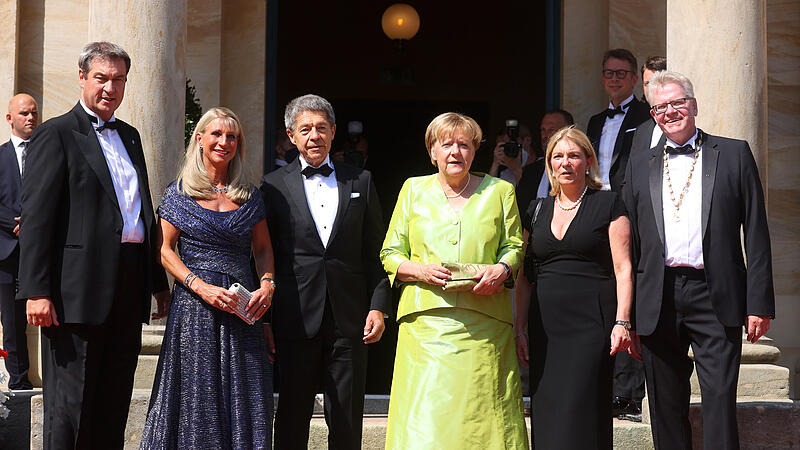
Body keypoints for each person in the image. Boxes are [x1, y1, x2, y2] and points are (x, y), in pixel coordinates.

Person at [18, 41, 169, 448]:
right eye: (101, 77)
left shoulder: (132, 136)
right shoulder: (55, 134)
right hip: (74, 293)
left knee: (113, 402)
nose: (110, 87)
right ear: (82, 77)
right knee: (70, 407)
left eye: (118, 79)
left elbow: (141, 214)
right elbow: (36, 219)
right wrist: (36, 291)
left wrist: (157, 284)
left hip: (128, 282)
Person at [622, 70, 775, 450]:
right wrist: (628, 314)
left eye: (677, 103)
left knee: (720, 399)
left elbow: (756, 232)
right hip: (658, 295)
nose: (670, 112)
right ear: (653, 115)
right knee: (664, 403)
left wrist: (759, 302)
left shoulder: (735, 153)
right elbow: (631, 243)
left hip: (716, 293)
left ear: (693, 105)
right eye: (661, 107)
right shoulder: (639, 164)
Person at [381, 112, 528, 448]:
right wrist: (420, 271)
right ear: (432, 151)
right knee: (427, 424)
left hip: (485, 325)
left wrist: (502, 270)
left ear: (475, 152)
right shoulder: (412, 190)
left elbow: (515, 246)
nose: (455, 152)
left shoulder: (500, 191)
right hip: (425, 326)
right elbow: (390, 253)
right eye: (446, 144)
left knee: (485, 422)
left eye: (464, 144)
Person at [260, 94, 391, 450]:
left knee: (347, 420)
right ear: (291, 135)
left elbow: (375, 251)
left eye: (321, 128)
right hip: (294, 316)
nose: (314, 136)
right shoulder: (271, 186)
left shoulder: (360, 181)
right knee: (291, 416)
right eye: (305, 129)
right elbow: (263, 254)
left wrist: (378, 306)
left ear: (334, 132)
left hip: (349, 318)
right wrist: (266, 320)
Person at [140, 107, 275, 448]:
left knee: (244, 394)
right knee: (195, 395)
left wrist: (267, 284)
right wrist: (200, 286)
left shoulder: (250, 195)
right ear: (199, 139)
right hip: (194, 308)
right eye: (216, 134)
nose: (224, 142)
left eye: (231, 137)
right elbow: (164, 250)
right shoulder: (178, 193)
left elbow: (261, 250)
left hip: (241, 309)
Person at [514, 126, 636, 449]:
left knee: (582, 411)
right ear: (549, 164)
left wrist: (622, 322)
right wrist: (520, 327)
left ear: (588, 161)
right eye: (558, 156)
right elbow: (525, 276)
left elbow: (624, 269)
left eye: (573, 155)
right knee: (548, 410)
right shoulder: (535, 209)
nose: (565, 163)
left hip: (591, 327)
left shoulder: (609, 204)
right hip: (546, 328)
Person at [0, 93, 38, 391]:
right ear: (10, 118)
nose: (30, 118)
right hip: (6, 251)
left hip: (41, 250)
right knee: (12, 322)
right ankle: (19, 380)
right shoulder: (0, 157)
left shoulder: (48, 153)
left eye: (34, 113)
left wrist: (34, 224)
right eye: (24, 113)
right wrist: (17, 225)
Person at [587, 49, 652, 192]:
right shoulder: (595, 122)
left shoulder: (647, 116)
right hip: (596, 199)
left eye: (621, 74)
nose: (614, 79)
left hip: (629, 199)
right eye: (609, 73)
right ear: (603, 78)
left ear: (634, 79)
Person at [516, 108, 574, 215]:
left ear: (569, 132)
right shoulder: (530, 171)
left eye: (552, 130)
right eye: (543, 130)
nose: (545, 135)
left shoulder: (576, 169)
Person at [630, 56, 668, 158]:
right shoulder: (641, 130)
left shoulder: (678, 123)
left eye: (655, 82)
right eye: (647, 83)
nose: (651, 88)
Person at [489, 121, 535, 186]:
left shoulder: (542, 168)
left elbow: (530, 194)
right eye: (507, 146)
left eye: (514, 146)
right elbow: (490, 193)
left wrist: (517, 170)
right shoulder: (505, 174)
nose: (511, 150)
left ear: (527, 140)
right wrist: (495, 164)